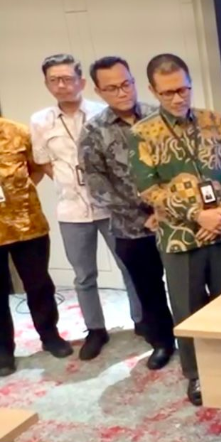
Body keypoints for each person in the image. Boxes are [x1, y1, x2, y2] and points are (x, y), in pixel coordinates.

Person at [129, 53, 221, 406]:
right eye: (168, 92)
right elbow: (147, 188)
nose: (178, 98)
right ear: (153, 91)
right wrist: (197, 215)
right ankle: (197, 374)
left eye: (183, 89)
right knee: (188, 309)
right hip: (179, 238)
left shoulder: (214, 120)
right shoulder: (142, 133)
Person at [30, 54, 142, 361]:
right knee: (84, 275)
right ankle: (95, 329)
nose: (62, 85)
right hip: (71, 210)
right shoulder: (40, 121)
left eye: (68, 79)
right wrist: (69, 183)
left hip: (112, 207)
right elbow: (43, 162)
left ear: (81, 82)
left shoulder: (103, 113)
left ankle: (141, 320)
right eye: (54, 80)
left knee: (128, 266)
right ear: (47, 84)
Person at [78, 56, 175, 371]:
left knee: (186, 286)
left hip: (175, 220)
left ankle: (196, 340)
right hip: (131, 228)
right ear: (98, 91)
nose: (122, 92)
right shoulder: (93, 131)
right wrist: (142, 214)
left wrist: (166, 208)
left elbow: (180, 166)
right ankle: (162, 342)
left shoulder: (161, 115)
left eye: (126, 84)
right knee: (148, 289)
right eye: (112, 88)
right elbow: (98, 186)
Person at [0, 116, 74, 376]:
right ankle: (3, 350)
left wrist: (20, 194)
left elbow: (38, 168)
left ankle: (49, 335)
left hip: (27, 224)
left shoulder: (18, 132)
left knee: (39, 284)